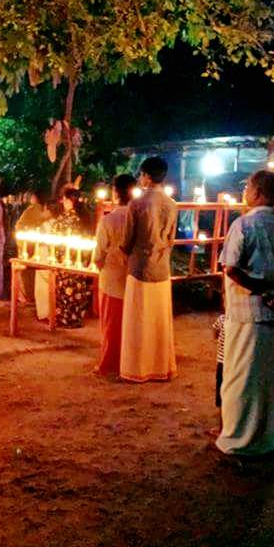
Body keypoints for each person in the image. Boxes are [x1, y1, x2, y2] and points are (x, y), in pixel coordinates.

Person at [216, 170, 274, 456]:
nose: (244, 193)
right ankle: (272, 435)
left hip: (247, 313)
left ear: (256, 192)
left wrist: (261, 289)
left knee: (241, 377)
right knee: (272, 377)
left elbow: (230, 268)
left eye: (247, 188)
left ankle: (239, 437)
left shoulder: (243, 225)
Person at [120, 157, 178, 382]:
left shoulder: (137, 203)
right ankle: (160, 367)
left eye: (141, 174)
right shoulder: (172, 204)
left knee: (138, 321)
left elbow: (127, 241)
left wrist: (126, 252)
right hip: (162, 268)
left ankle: (137, 369)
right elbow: (171, 239)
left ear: (147, 176)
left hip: (140, 268)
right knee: (159, 321)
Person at [94, 173, 135, 374]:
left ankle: (110, 363)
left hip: (112, 276)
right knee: (131, 323)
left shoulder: (109, 219)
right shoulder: (138, 217)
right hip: (134, 277)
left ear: (115, 193)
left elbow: (99, 252)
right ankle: (131, 361)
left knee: (111, 323)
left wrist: (102, 266)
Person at [35, 187, 93, 327]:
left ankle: (66, 317)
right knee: (76, 289)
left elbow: (56, 234)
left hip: (65, 258)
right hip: (78, 259)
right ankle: (75, 317)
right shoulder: (83, 217)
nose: (63, 202)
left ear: (69, 201)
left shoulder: (69, 218)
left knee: (65, 289)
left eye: (65, 199)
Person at [13, 190, 51, 304]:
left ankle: (27, 296)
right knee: (33, 271)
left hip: (27, 243)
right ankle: (32, 295)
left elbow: (20, 225)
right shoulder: (41, 211)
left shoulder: (32, 209)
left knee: (26, 271)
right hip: (36, 244)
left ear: (35, 197)